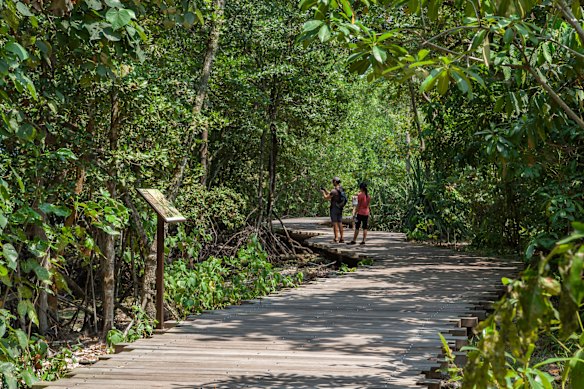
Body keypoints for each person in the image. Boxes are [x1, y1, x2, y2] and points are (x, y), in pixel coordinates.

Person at [321, 177, 345, 243]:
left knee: (335, 223)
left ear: (335, 182)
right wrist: (326, 190)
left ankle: (336, 238)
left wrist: (323, 192)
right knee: (340, 223)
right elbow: (332, 194)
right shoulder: (341, 189)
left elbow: (326, 197)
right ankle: (342, 238)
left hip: (334, 208)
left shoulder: (333, 191)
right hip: (340, 208)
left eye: (333, 181)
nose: (332, 182)